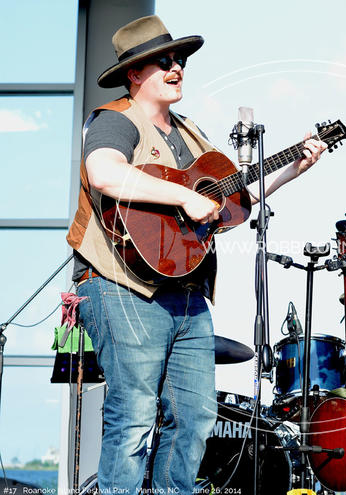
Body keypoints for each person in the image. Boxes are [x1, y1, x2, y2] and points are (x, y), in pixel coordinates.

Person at [66, 15, 327, 495]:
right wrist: (184, 197)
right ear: (133, 74)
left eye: (179, 59)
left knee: (195, 418)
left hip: (185, 293)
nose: (177, 68)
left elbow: (231, 199)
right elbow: (104, 172)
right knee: (134, 417)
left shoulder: (191, 134)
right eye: (163, 61)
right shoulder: (114, 121)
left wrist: (292, 169)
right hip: (123, 287)